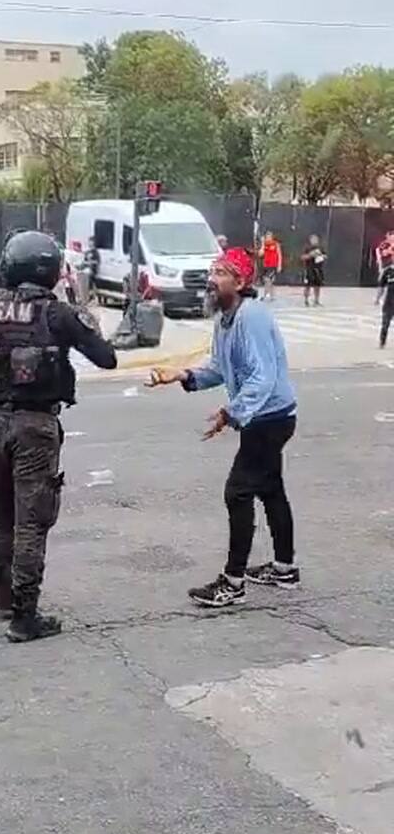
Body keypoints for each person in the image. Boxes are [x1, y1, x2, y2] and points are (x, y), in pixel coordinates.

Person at [0, 230, 117, 643]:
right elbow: (106, 357)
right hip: (33, 427)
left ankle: (5, 595)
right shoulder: (57, 314)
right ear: (50, 270)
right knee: (31, 520)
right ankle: (25, 617)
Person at [147, 249, 298, 610]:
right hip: (262, 418)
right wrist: (184, 375)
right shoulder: (225, 318)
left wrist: (231, 413)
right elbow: (219, 367)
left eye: (222, 272)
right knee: (270, 489)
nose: (211, 278)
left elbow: (263, 378)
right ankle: (284, 569)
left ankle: (233, 582)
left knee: (238, 492)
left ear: (242, 282)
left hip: (271, 418)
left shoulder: (252, 317)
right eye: (212, 270)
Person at [301, 234, 326, 307]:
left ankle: (316, 300)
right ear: (310, 240)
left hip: (318, 269)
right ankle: (306, 300)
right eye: (313, 239)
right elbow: (302, 257)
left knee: (317, 285)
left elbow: (325, 256)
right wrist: (310, 255)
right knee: (307, 285)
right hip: (309, 269)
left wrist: (321, 256)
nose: (315, 241)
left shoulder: (320, 248)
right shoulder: (307, 248)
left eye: (316, 239)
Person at [259, 230, 283, 300]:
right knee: (267, 280)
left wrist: (279, 265)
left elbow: (279, 254)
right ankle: (267, 294)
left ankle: (269, 294)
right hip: (266, 265)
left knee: (268, 279)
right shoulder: (264, 244)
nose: (268, 237)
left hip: (273, 265)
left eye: (269, 236)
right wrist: (263, 244)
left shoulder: (276, 244)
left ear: (272, 237)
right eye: (267, 236)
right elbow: (260, 254)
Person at [377, 255, 394, 348]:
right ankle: (382, 341)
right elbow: (381, 286)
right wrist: (377, 298)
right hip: (389, 302)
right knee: (385, 323)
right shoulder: (388, 271)